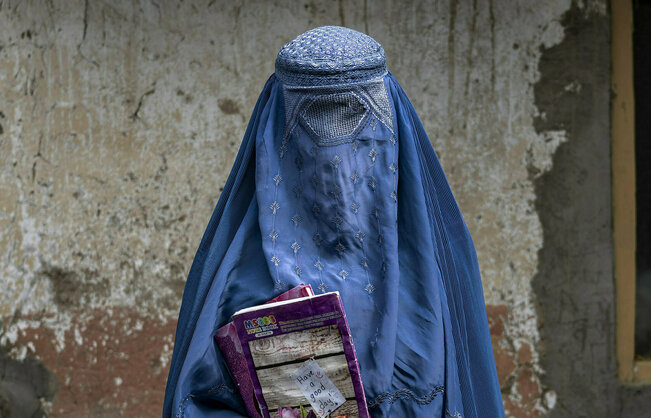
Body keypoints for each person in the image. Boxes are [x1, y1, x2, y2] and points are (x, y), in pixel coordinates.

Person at [162, 26, 504, 418]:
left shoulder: (440, 269)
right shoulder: (232, 275)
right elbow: (195, 402)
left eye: (355, 117)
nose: (338, 168)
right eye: (313, 118)